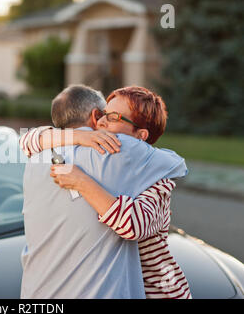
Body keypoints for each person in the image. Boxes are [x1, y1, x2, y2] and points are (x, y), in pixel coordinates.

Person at [20, 85, 191, 299]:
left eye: (112, 117)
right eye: (102, 114)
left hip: (160, 292)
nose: (99, 122)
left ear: (140, 135)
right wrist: (77, 137)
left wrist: (81, 182)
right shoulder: (105, 160)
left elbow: (132, 225)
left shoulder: (158, 179)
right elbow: (26, 142)